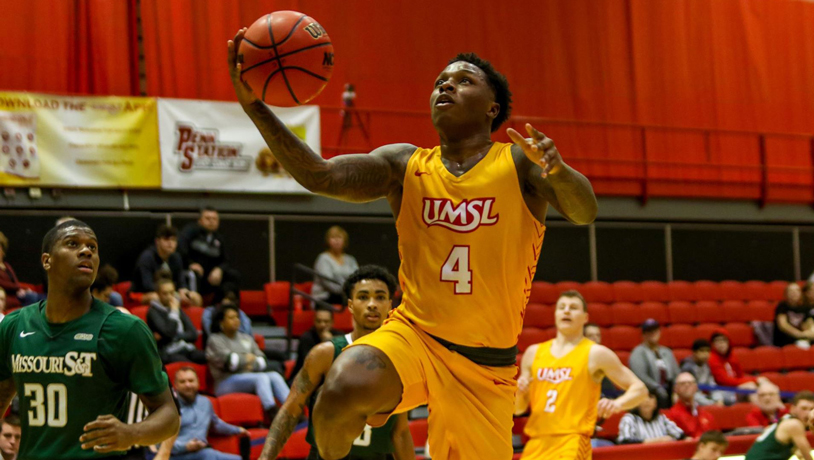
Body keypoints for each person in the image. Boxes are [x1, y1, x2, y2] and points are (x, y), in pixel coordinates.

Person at [229, 30, 598, 458]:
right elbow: (321, 175)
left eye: (463, 80)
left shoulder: (517, 162)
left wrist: (558, 170)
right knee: (342, 387)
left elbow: (584, 211)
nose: (446, 85)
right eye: (441, 80)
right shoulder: (403, 163)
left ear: (492, 109)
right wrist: (256, 107)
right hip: (415, 336)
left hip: (485, 364)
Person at [0, 219, 179, 458]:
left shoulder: (124, 329)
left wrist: (131, 433)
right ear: (47, 260)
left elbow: (169, 414)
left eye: (92, 248)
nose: (86, 251)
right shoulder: (14, 325)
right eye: (73, 244)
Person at [258, 265, 415, 460]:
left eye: (380, 297)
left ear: (391, 305)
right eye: (363, 297)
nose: (372, 304)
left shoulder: (399, 358)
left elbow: (400, 431)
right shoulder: (325, 354)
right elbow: (290, 410)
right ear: (350, 305)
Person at [515, 291, 647, 458]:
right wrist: (520, 393)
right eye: (561, 307)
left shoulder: (595, 353)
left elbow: (640, 389)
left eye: (573, 307)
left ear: (585, 317)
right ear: (555, 314)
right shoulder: (533, 353)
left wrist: (617, 404)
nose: (567, 311)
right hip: (536, 442)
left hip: (573, 442)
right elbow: (518, 409)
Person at [206, 304, 289, 420]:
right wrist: (248, 359)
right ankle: (272, 413)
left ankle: (293, 411)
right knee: (261, 377)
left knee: (274, 375)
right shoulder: (215, 340)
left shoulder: (246, 338)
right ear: (221, 322)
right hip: (225, 382)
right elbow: (230, 364)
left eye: (237, 317)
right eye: (231, 318)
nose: (236, 321)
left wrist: (240, 360)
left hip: (247, 376)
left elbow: (262, 361)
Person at [172, 367, 247, 460]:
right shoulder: (169, 407)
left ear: (198, 382)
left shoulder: (205, 402)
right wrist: (185, 446)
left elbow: (216, 424)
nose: (188, 385)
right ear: (176, 385)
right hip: (176, 456)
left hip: (202, 453)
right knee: (208, 455)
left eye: (191, 381)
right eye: (182, 382)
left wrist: (238, 430)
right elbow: (159, 444)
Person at [178, 207, 240, 303]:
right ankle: (196, 306)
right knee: (194, 275)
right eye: (207, 218)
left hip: (211, 276)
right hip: (194, 272)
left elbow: (226, 260)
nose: (211, 221)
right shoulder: (190, 231)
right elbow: (180, 250)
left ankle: (223, 307)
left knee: (233, 276)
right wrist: (190, 263)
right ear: (200, 221)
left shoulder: (219, 237)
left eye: (214, 219)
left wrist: (219, 269)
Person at [133, 224, 202, 307]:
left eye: (173, 240)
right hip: (145, 293)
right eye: (166, 239)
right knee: (156, 297)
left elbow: (181, 281)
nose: (170, 243)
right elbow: (147, 285)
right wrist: (170, 292)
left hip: (170, 292)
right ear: (157, 241)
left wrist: (183, 291)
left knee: (195, 297)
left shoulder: (176, 258)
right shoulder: (147, 258)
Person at [147, 278, 206, 364]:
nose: (170, 297)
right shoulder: (153, 312)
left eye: (172, 293)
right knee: (188, 364)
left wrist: (176, 337)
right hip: (168, 353)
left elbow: (193, 334)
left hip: (186, 347)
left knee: (208, 357)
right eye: (165, 293)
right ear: (158, 294)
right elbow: (169, 332)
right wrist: (174, 311)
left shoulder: (177, 308)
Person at [745, 391, 814, 460]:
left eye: (811, 409)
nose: (808, 413)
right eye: (804, 408)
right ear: (793, 409)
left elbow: (798, 453)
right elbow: (806, 454)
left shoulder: (785, 419)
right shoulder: (795, 424)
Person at [629, 318, 679, 408]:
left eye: (655, 330)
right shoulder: (638, 352)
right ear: (643, 335)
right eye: (649, 331)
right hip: (649, 392)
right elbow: (641, 376)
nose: (653, 334)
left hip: (669, 390)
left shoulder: (667, 352)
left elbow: (676, 373)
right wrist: (657, 388)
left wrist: (676, 390)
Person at [311, 226, 359, 306]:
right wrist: (348, 289)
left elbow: (357, 278)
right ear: (328, 241)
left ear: (345, 241)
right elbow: (329, 284)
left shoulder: (350, 259)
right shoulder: (323, 259)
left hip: (345, 296)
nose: (336, 241)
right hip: (325, 297)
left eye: (339, 238)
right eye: (333, 238)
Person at [616, 389, 685, 444]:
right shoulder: (629, 419)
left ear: (656, 403)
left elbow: (680, 435)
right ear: (636, 403)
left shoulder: (661, 419)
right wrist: (655, 441)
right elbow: (624, 441)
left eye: (650, 397)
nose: (646, 401)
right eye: (642, 397)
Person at [290, 307, 342, 380]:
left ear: (332, 322)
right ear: (314, 321)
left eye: (326, 321)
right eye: (319, 321)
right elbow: (311, 364)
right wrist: (327, 343)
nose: (322, 325)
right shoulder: (306, 338)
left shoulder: (339, 337)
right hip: (304, 380)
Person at [680, 339, 733, 406]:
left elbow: (711, 384)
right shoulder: (687, 366)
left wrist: (718, 399)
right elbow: (689, 391)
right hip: (691, 395)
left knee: (730, 398)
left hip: (704, 395)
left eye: (708, 351)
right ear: (694, 352)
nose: (705, 354)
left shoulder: (706, 365)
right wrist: (712, 404)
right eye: (702, 351)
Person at [665, 372, 717, 439]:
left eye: (690, 383)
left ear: (696, 387)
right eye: (682, 384)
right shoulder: (671, 416)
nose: (687, 385)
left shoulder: (706, 414)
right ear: (676, 388)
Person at [0, 231, 36, 310]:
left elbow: (15, 281)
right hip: (7, 296)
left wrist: (23, 289)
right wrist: (18, 288)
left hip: (16, 294)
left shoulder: (6, 265)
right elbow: (4, 284)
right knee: (33, 298)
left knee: (38, 297)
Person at [772, 282, 814, 347]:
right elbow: (783, 326)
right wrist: (798, 334)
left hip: (802, 341)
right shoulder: (782, 306)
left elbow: (812, 326)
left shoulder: (804, 308)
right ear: (786, 294)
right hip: (784, 343)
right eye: (791, 291)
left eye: (796, 291)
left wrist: (809, 334)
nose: (794, 293)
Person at [583, 323, 619, 398]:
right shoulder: (576, 357)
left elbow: (610, 390)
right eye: (591, 336)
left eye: (597, 335)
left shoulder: (603, 357)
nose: (595, 338)